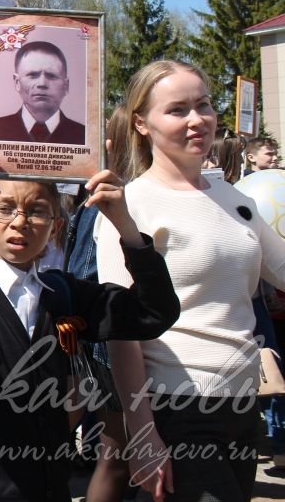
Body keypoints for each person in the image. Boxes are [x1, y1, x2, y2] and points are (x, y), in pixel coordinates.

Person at [0, 134, 180, 502]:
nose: (20, 222)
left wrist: (125, 225)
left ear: (56, 226)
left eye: (37, 211)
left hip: (49, 485)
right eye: (5, 208)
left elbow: (154, 313)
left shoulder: (63, 294)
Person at [97, 60, 285, 502]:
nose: (197, 119)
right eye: (178, 109)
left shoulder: (236, 199)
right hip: (175, 406)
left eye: (203, 105)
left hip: (242, 404)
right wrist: (141, 432)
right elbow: (121, 331)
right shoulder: (130, 205)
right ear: (142, 123)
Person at [0, 41, 86, 145]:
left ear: (66, 85)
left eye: (51, 76)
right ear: (17, 82)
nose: (42, 83)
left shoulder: (85, 137)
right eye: (32, 75)